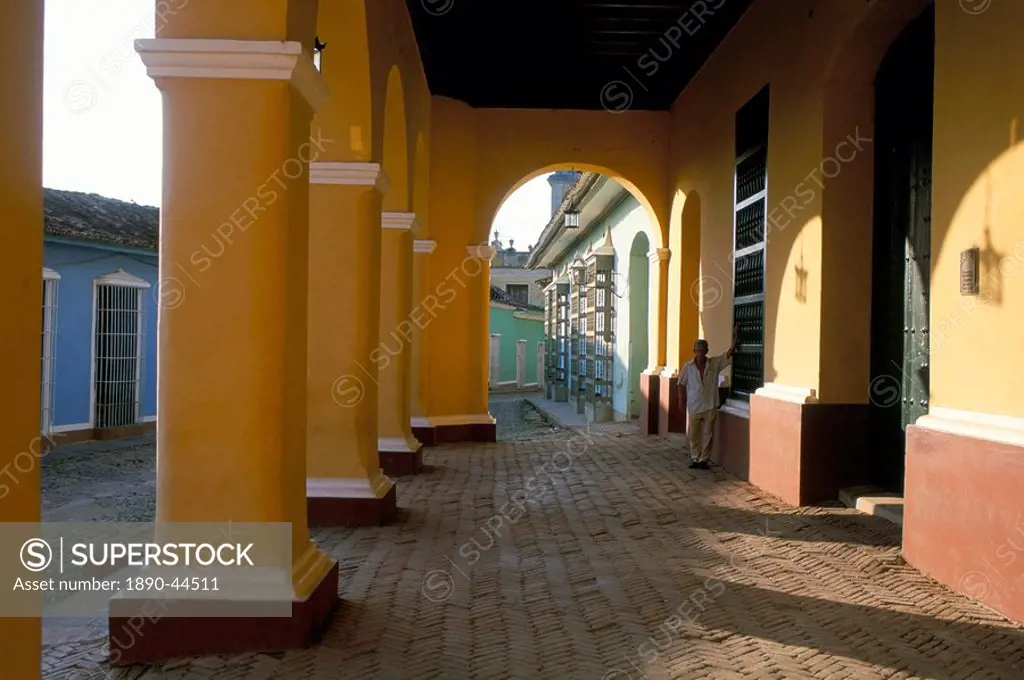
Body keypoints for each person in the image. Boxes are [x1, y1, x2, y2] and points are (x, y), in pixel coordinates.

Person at [677, 325, 739, 470]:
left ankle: (704, 459)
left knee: (708, 434)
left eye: (703, 351)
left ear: (707, 351)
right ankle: (695, 457)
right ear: (694, 352)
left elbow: (727, 355)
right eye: (698, 351)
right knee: (694, 434)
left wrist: (735, 340)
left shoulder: (713, 363)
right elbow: (680, 384)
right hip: (694, 405)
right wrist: (681, 402)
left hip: (710, 404)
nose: (700, 353)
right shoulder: (688, 367)